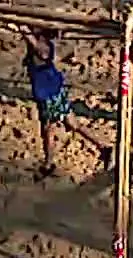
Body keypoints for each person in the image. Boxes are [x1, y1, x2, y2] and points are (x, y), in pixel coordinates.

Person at [19, 26, 113, 179]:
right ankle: (102, 146)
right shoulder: (43, 46)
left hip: (48, 94)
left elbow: (28, 35)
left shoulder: (42, 47)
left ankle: (48, 164)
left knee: (48, 129)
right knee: (72, 124)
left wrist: (17, 24)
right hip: (53, 90)